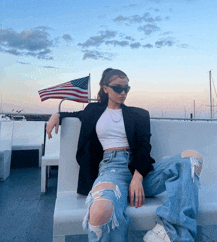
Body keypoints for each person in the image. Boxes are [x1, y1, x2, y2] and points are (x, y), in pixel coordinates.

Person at [46, 68, 203, 242]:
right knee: (100, 212)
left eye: (126, 88)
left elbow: (144, 148)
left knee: (192, 159)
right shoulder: (93, 110)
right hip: (112, 169)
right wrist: (57, 115)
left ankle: (168, 230)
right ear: (105, 88)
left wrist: (137, 177)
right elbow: (73, 114)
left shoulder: (138, 115)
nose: (123, 93)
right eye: (118, 88)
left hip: (142, 173)